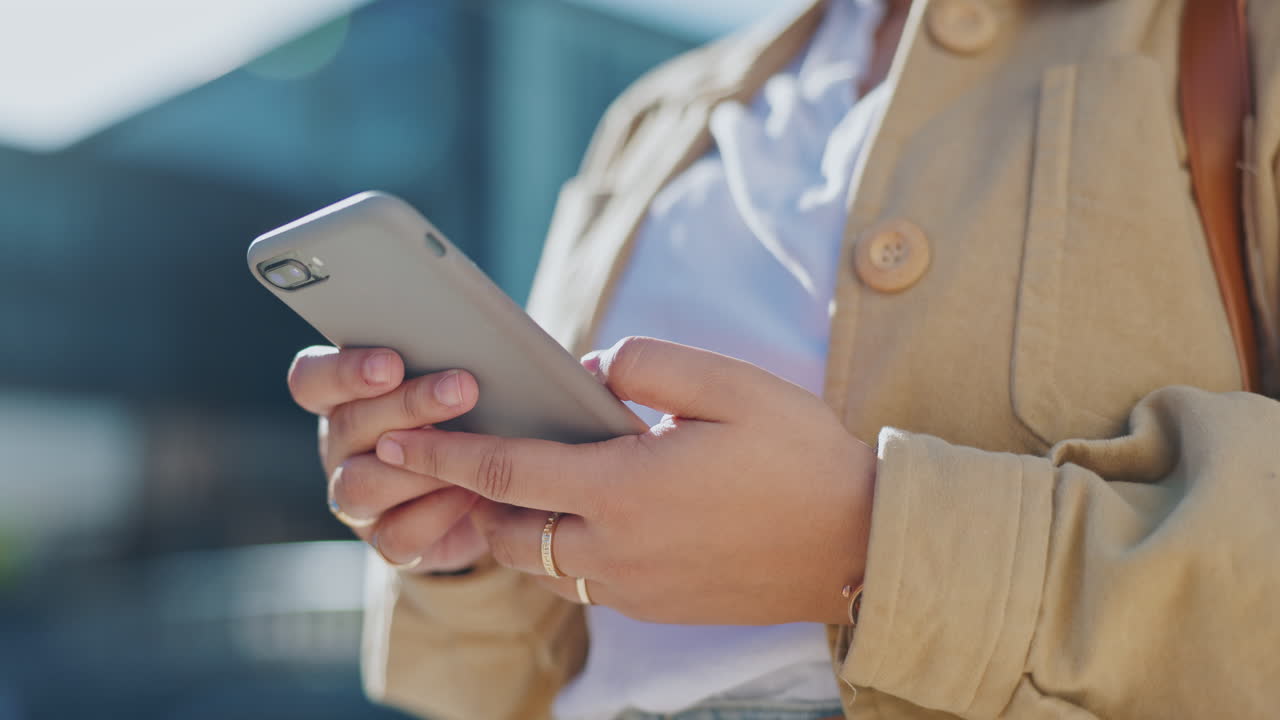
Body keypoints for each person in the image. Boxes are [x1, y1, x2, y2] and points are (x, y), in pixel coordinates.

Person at [286, 0, 1280, 718]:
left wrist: (870, 541)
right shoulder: (652, 121)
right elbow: (488, 689)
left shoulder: (1232, 35)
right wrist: (474, 528)